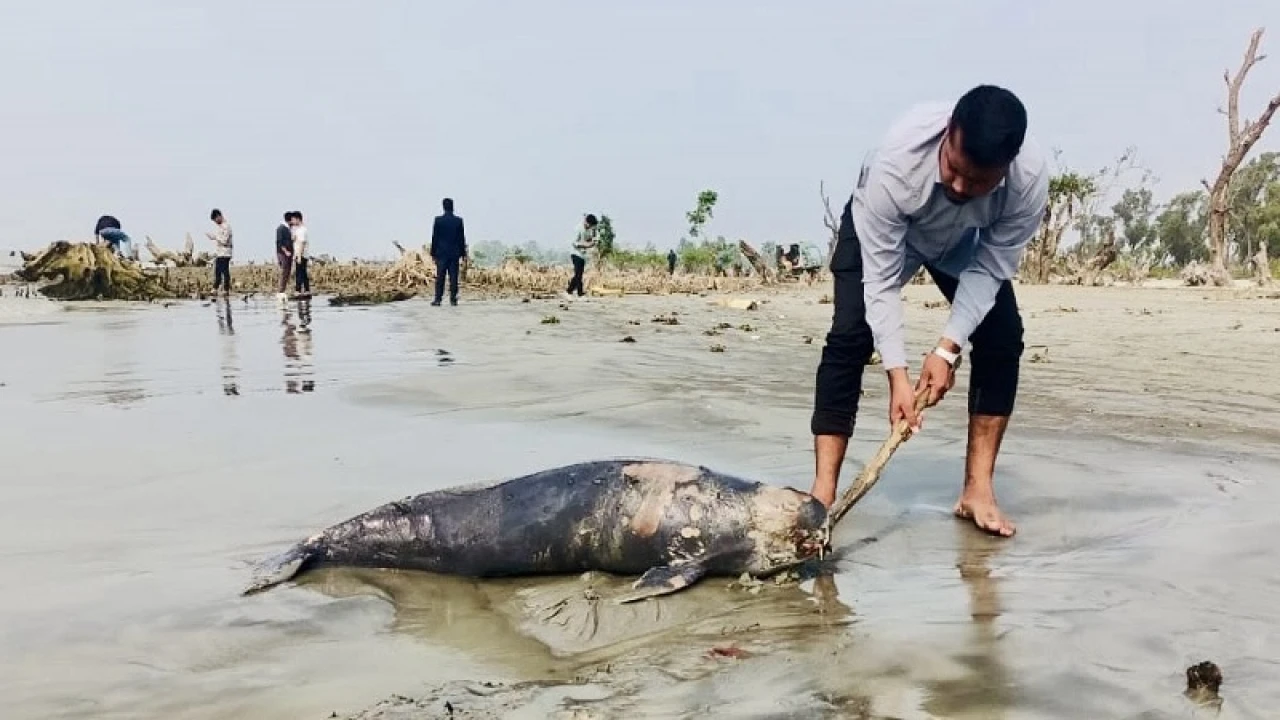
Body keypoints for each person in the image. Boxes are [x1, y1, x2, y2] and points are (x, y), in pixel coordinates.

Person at [808, 84, 1048, 538]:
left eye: (978, 182)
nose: (959, 187)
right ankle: (822, 493)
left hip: (962, 243)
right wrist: (898, 375)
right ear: (947, 133)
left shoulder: (1029, 181)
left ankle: (977, 489)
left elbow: (991, 266)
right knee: (849, 334)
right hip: (889, 231)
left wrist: (947, 350)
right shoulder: (895, 162)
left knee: (1002, 336)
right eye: (953, 169)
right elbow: (879, 282)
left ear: (1007, 167)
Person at [429, 197, 467, 306]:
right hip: (454, 253)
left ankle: (438, 299)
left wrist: (432, 253)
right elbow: (461, 238)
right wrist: (463, 253)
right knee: (453, 277)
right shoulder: (458, 221)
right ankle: (453, 299)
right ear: (452, 207)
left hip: (441, 253)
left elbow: (435, 237)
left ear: (443, 207)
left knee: (440, 276)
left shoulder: (438, 220)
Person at [566, 214, 598, 297]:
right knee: (578, 274)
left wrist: (592, 240)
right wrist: (586, 245)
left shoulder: (589, 230)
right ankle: (577, 292)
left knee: (579, 274)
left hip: (583, 255)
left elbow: (589, 239)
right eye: (589, 225)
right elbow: (574, 243)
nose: (590, 227)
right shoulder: (578, 229)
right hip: (575, 253)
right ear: (586, 222)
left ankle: (571, 291)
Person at [207, 209, 233, 296]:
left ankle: (225, 290)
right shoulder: (221, 227)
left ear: (219, 216)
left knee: (225, 271)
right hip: (220, 253)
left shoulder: (226, 226)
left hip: (225, 253)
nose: (215, 222)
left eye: (215, 220)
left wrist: (214, 237)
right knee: (217, 271)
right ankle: (215, 289)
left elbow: (224, 240)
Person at [275, 212, 294, 304]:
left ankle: (283, 290)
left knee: (287, 272)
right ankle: (280, 291)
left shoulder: (289, 228)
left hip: (289, 253)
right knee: (284, 271)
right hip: (283, 253)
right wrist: (286, 251)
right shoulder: (281, 228)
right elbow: (279, 242)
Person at [291, 211, 311, 297]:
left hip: (301, 255)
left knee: (299, 273)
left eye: (293, 220)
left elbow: (302, 244)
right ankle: (307, 290)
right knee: (303, 273)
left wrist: (299, 256)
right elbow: (295, 239)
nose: (292, 222)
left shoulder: (302, 230)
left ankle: (298, 290)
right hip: (299, 254)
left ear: (298, 219)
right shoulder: (298, 230)